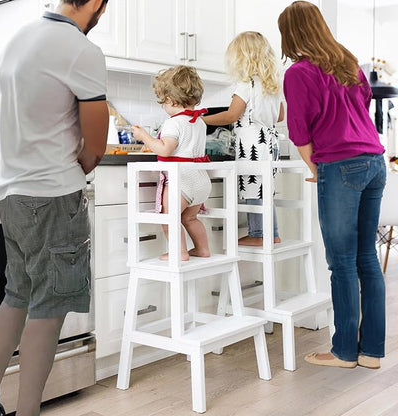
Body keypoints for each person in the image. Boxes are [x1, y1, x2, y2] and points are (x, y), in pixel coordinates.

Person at [0, 1, 109, 415]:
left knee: (17, 293)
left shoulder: (17, 38)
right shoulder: (80, 49)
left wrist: (27, 149)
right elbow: (95, 146)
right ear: (93, 2)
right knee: (49, 307)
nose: (101, 15)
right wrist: (64, 160)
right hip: (53, 194)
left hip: (11, 191)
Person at [279, 1, 386, 369]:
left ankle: (343, 351)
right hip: (374, 161)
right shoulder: (349, 64)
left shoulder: (299, 73)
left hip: (340, 164)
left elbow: (299, 131)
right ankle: (371, 351)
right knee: (367, 259)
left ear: (290, 34)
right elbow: (363, 109)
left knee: (341, 263)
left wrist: (316, 169)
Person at [203, 31, 285, 247]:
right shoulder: (272, 85)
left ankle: (258, 234)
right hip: (269, 141)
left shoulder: (245, 84)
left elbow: (231, 115)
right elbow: (281, 116)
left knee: (254, 189)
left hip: (251, 141)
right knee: (265, 189)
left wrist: (201, 120)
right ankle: (273, 233)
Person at [132, 65, 211, 262]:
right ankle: (202, 249)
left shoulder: (173, 122)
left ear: (171, 99)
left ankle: (180, 252)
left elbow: (167, 149)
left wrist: (144, 137)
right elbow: (182, 147)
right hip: (200, 182)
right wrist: (153, 145)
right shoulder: (199, 121)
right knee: (190, 218)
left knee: (169, 218)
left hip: (180, 181)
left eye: (163, 102)